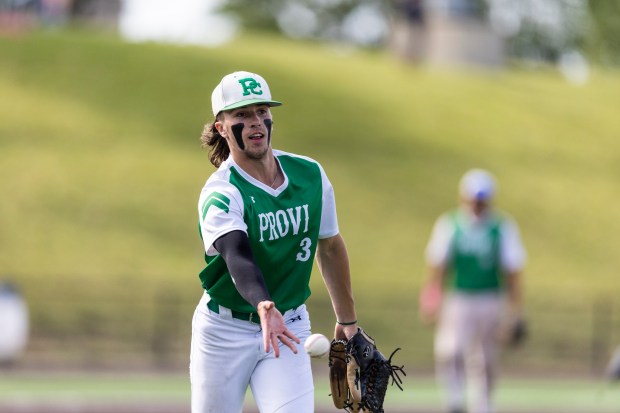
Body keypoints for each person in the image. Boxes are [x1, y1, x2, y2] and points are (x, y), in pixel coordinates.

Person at [191, 71, 359, 413]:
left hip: (289, 327)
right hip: (224, 331)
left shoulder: (309, 174)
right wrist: (264, 305)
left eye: (261, 110)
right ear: (221, 127)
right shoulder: (221, 192)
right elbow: (238, 256)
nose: (255, 121)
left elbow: (329, 246)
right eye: (241, 114)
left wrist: (348, 321)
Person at [420, 168, 526, 413]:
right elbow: (438, 266)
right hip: (459, 297)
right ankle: (454, 399)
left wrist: (515, 310)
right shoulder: (450, 224)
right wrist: (431, 299)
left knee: (486, 357)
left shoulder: (502, 227)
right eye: (474, 199)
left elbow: (512, 271)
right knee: (451, 350)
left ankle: (483, 405)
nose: (478, 205)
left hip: (490, 297)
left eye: (482, 199)